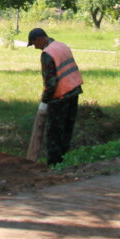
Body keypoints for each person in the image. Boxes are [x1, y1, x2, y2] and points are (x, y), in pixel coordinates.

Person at [26, 27, 82, 166]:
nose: (35, 47)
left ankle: (53, 165)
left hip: (60, 97)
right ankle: (64, 161)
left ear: (39, 39)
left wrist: (44, 102)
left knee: (54, 134)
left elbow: (51, 82)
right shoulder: (61, 46)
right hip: (74, 92)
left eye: (34, 44)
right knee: (67, 130)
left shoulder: (47, 54)